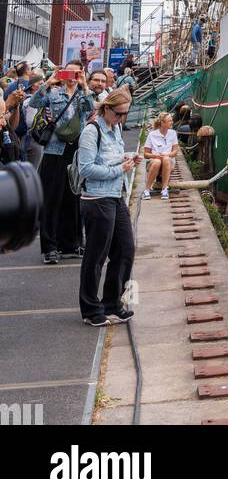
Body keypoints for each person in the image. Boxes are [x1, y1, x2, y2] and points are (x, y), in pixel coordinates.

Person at [77, 89, 140, 327]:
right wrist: (119, 169)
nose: (123, 118)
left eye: (125, 114)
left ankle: (112, 303)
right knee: (96, 255)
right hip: (97, 198)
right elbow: (87, 169)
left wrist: (128, 157)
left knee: (126, 249)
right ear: (107, 108)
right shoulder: (91, 132)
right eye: (119, 113)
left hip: (115, 195)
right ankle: (91, 309)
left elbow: (110, 159)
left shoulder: (116, 130)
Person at [29, 63, 94, 264]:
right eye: (69, 72)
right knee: (52, 199)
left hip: (75, 151)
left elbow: (90, 108)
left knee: (72, 198)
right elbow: (34, 102)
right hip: (54, 151)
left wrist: (84, 85)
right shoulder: (54, 94)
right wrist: (49, 82)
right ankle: (50, 247)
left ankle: (71, 244)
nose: (72, 76)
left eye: (76, 73)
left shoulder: (83, 94)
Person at [142, 113, 178, 199]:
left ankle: (164, 189)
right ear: (162, 123)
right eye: (170, 121)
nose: (172, 122)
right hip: (154, 160)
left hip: (168, 161)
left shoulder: (173, 133)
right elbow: (146, 154)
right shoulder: (152, 134)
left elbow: (175, 152)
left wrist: (167, 154)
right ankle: (147, 189)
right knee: (157, 162)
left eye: (171, 120)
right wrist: (155, 156)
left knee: (166, 159)